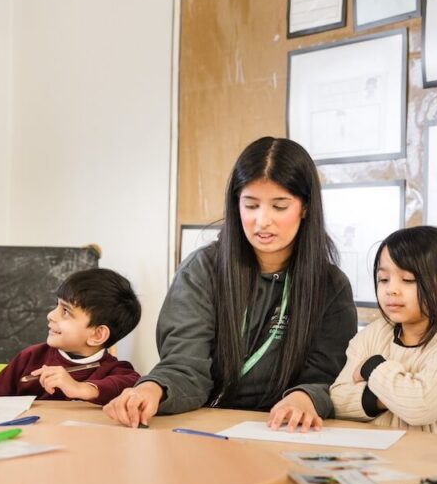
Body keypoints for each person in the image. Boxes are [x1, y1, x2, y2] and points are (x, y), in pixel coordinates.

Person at [105, 137, 356, 429]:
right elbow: (184, 364)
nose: (262, 221)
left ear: (305, 207)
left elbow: (327, 377)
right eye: (251, 205)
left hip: (282, 432)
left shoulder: (330, 286)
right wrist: (152, 389)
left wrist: (305, 398)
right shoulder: (203, 270)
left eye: (279, 206)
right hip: (203, 428)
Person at [329, 226, 437, 435]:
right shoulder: (373, 334)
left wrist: (373, 366)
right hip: (370, 458)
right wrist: (394, 397)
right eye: (383, 279)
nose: (391, 289)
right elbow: (337, 400)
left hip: (424, 462)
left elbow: (420, 408)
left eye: (408, 280)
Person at [0, 268, 141, 405]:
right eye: (56, 306)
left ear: (97, 334)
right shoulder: (30, 357)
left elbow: (133, 385)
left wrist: (81, 389)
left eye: (66, 311)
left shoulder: (117, 371)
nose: (50, 315)